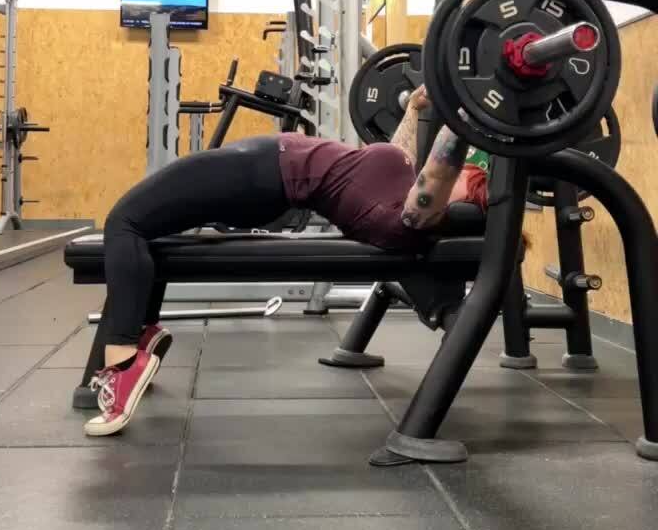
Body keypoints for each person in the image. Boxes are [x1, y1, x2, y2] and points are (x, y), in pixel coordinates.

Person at [85, 85, 487, 437]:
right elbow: (401, 156)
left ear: (459, 202)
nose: (456, 174)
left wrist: (470, 108)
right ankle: (144, 334)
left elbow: (439, 173)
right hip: (264, 165)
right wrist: (414, 108)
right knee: (149, 226)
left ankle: (124, 363)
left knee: (125, 221)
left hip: (261, 172)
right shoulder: (401, 192)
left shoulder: (409, 219)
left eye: (463, 178)